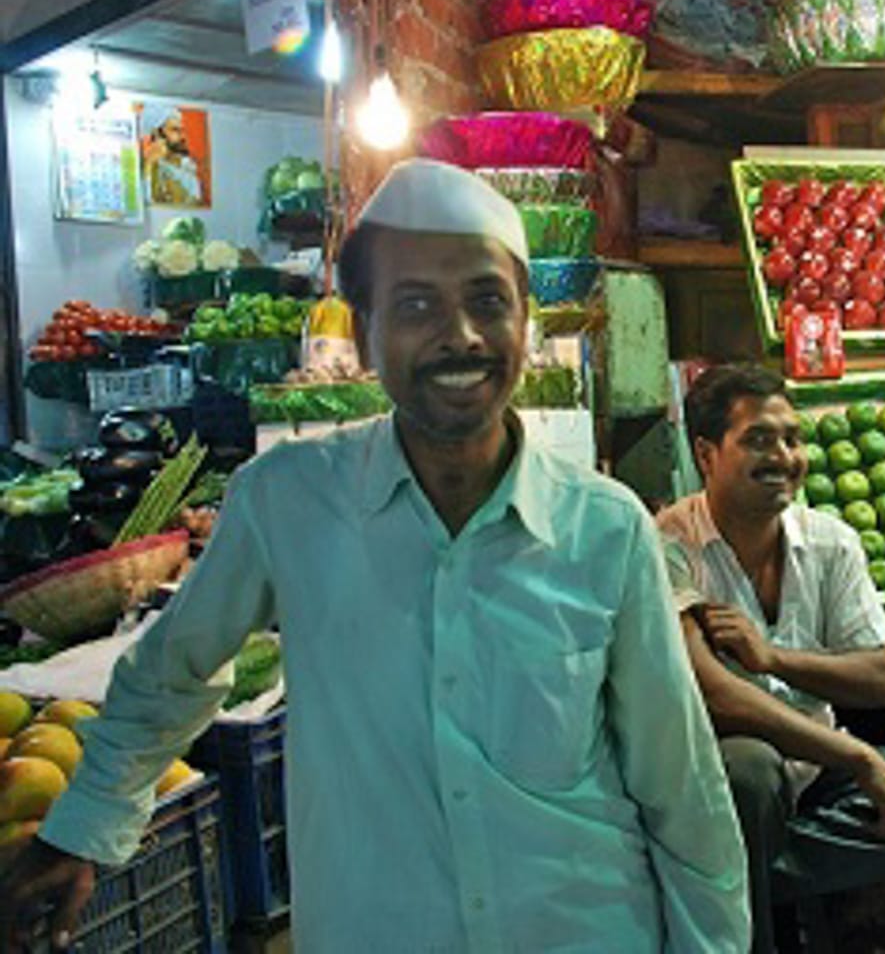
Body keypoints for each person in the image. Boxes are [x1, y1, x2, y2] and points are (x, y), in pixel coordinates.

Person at [0, 159, 749, 952]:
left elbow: (681, 787)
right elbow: (170, 675)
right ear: (364, 331)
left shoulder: (606, 528)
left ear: (525, 322)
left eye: (487, 301)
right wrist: (79, 828)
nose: (459, 334)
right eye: (416, 303)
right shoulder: (286, 502)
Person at [656, 364, 885, 954]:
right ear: (706, 454)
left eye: (792, 439)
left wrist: (773, 657)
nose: (783, 456)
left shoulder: (830, 541)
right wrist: (857, 756)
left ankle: (754, 873)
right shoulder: (668, 544)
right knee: (750, 772)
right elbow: (713, 695)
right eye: (758, 440)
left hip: (816, 771)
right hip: (722, 774)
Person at [140, 106, 203, 207]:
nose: (182, 137)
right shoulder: (142, 168)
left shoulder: (187, 169)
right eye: (175, 130)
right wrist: (149, 164)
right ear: (157, 134)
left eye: (182, 130)